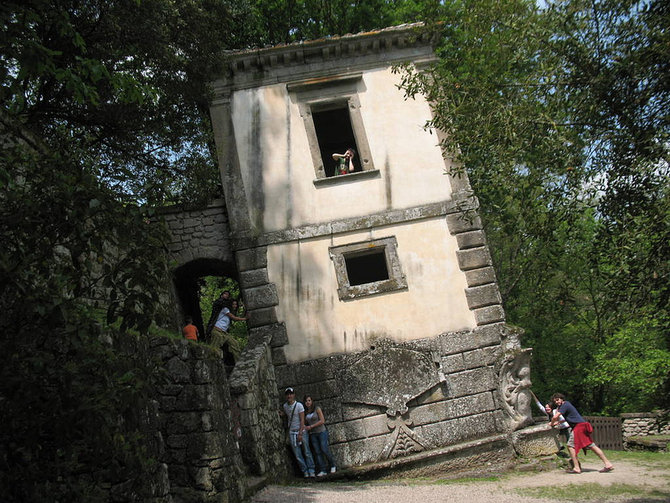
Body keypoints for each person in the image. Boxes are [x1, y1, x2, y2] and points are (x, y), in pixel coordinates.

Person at [551, 393, 614, 474]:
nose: (557, 402)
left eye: (558, 400)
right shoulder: (564, 406)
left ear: (562, 398)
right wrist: (558, 422)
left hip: (579, 427)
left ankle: (577, 468)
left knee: (570, 445)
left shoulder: (565, 405)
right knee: (591, 445)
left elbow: (555, 417)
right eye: (555, 401)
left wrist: (552, 423)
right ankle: (608, 464)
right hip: (581, 425)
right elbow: (570, 417)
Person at [206, 291, 249, 366]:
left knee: (235, 344)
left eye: (236, 304)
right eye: (233, 304)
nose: (235, 306)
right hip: (217, 330)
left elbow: (235, 316)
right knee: (215, 347)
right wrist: (245, 319)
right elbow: (234, 318)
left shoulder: (230, 311)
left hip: (224, 333)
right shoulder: (225, 309)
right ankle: (210, 362)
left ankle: (239, 364)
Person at [282, 387, 315, 478]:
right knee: (297, 454)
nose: (289, 396)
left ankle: (311, 470)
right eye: (288, 394)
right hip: (292, 432)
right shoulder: (285, 406)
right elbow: (288, 415)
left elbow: (302, 420)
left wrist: (300, 433)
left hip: (301, 431)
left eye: (291, 394)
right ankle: (305, 471)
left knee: (307, 451)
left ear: (294, 395)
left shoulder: (299, 406)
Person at [303, 395, 337, 476]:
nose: (307, 402)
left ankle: (332, 465)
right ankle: (323, 469)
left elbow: (322, 421)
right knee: (317, 452)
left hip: (321, 431)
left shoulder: (317, 409)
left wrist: (311, 426)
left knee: (324, 448)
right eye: (306, 401)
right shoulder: (306, 412)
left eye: (309, 400)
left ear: (312, 401)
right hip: (313, 434)